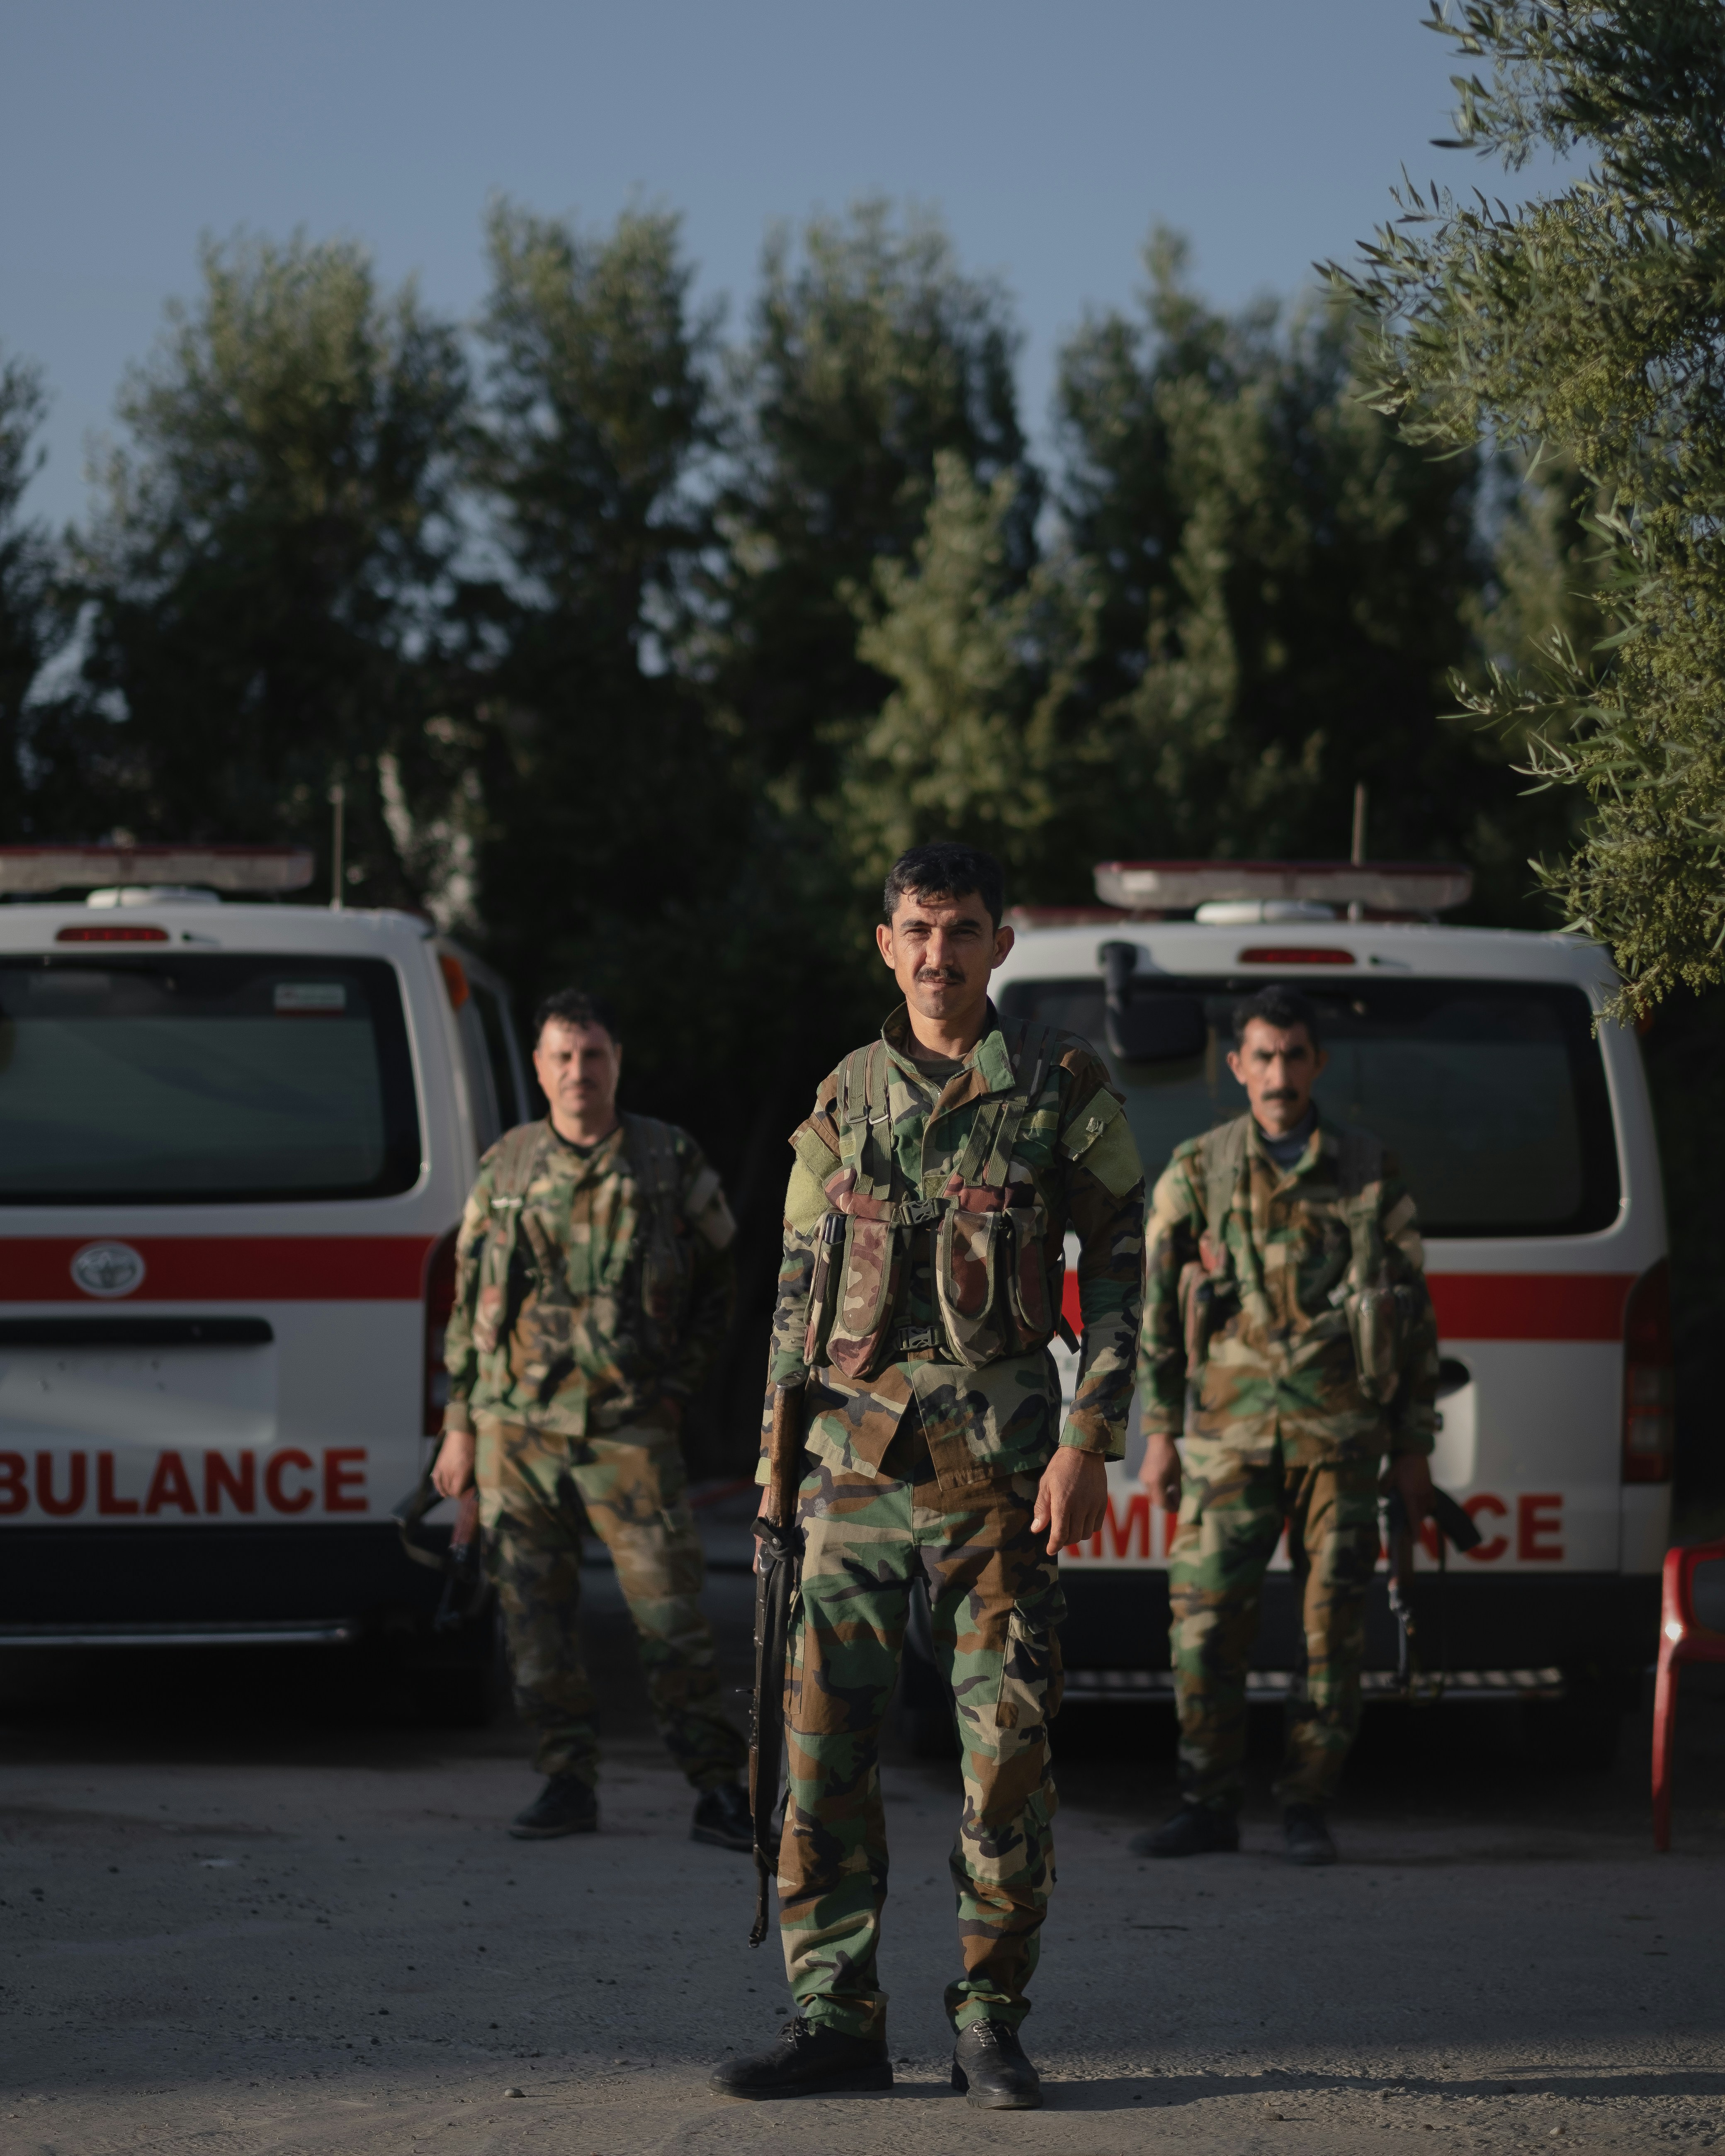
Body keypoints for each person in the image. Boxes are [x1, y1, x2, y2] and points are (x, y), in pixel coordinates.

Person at [709, 841, 1144, 2112]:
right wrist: (772, 1473)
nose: (938, 954)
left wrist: (1090, 1439)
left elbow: (1124, 1275)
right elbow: (796, 1294)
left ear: (1000, 944)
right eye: (916, 930)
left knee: (1003, 1746)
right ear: (884, 944)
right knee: (820, 1749)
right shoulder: (845, 1096)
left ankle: (989, 2023)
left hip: (999, 1474)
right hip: (849, 1471)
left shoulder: (1061, 1088)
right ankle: (834, 2019)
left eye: (961, 931)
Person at [432, 987, 751, 1848]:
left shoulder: (665, 1157)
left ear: (617, 1062)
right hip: (515, 1430)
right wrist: (459, 1425)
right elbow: (466, 1305)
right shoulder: (504, 1167)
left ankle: (717, 1787)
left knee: (671, 1615)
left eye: (594, 1055)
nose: (580, 1071)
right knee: (533, 1615)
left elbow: (721, 1288)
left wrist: (680, 1389)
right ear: (539, 1067)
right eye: (563, 1056)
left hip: (629, 1427)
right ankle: (565, 1778)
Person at [1134, 983, 1439, 1867]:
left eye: (1293, 1054)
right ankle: (1206, 1801)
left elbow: (1414, 1315)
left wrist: (1413, 1447)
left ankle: (1307, 1801)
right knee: (1201, 1624)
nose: (1278, 1072)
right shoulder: (1198, 1167)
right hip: (1226, 1442)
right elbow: (1158, 1307)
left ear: (1318, 1062)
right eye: (1261, 1056)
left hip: (1341, 1441)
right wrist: (1158, 1433)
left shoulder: (1368, 1168)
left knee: (1329, 1630)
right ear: (1236, 1066)